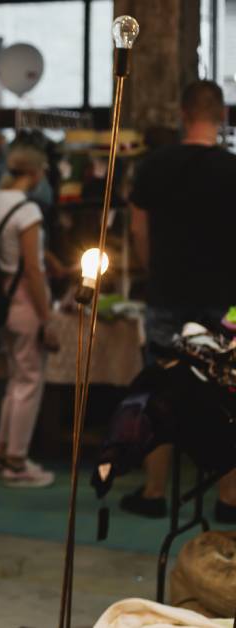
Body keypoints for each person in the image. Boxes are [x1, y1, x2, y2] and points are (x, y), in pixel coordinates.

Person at [125, 80, 236, 523]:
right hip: (225, 301)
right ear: (221, 116)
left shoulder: (154, 165)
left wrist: (156, 273)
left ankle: (154, 493)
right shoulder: (232, 169)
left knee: (163, 394)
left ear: (182, 113)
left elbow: (137, 231)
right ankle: (229, 498)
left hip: (168, 295)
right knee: (228, 394)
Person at [0, 142, 60, 488]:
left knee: (15, 378)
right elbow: (32, 267)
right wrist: (47, 318)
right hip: (27, 302)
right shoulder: (27, 210)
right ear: (35, 173)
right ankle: (16, 459)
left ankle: (2, 452)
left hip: (1, 299)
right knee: (29, 381)